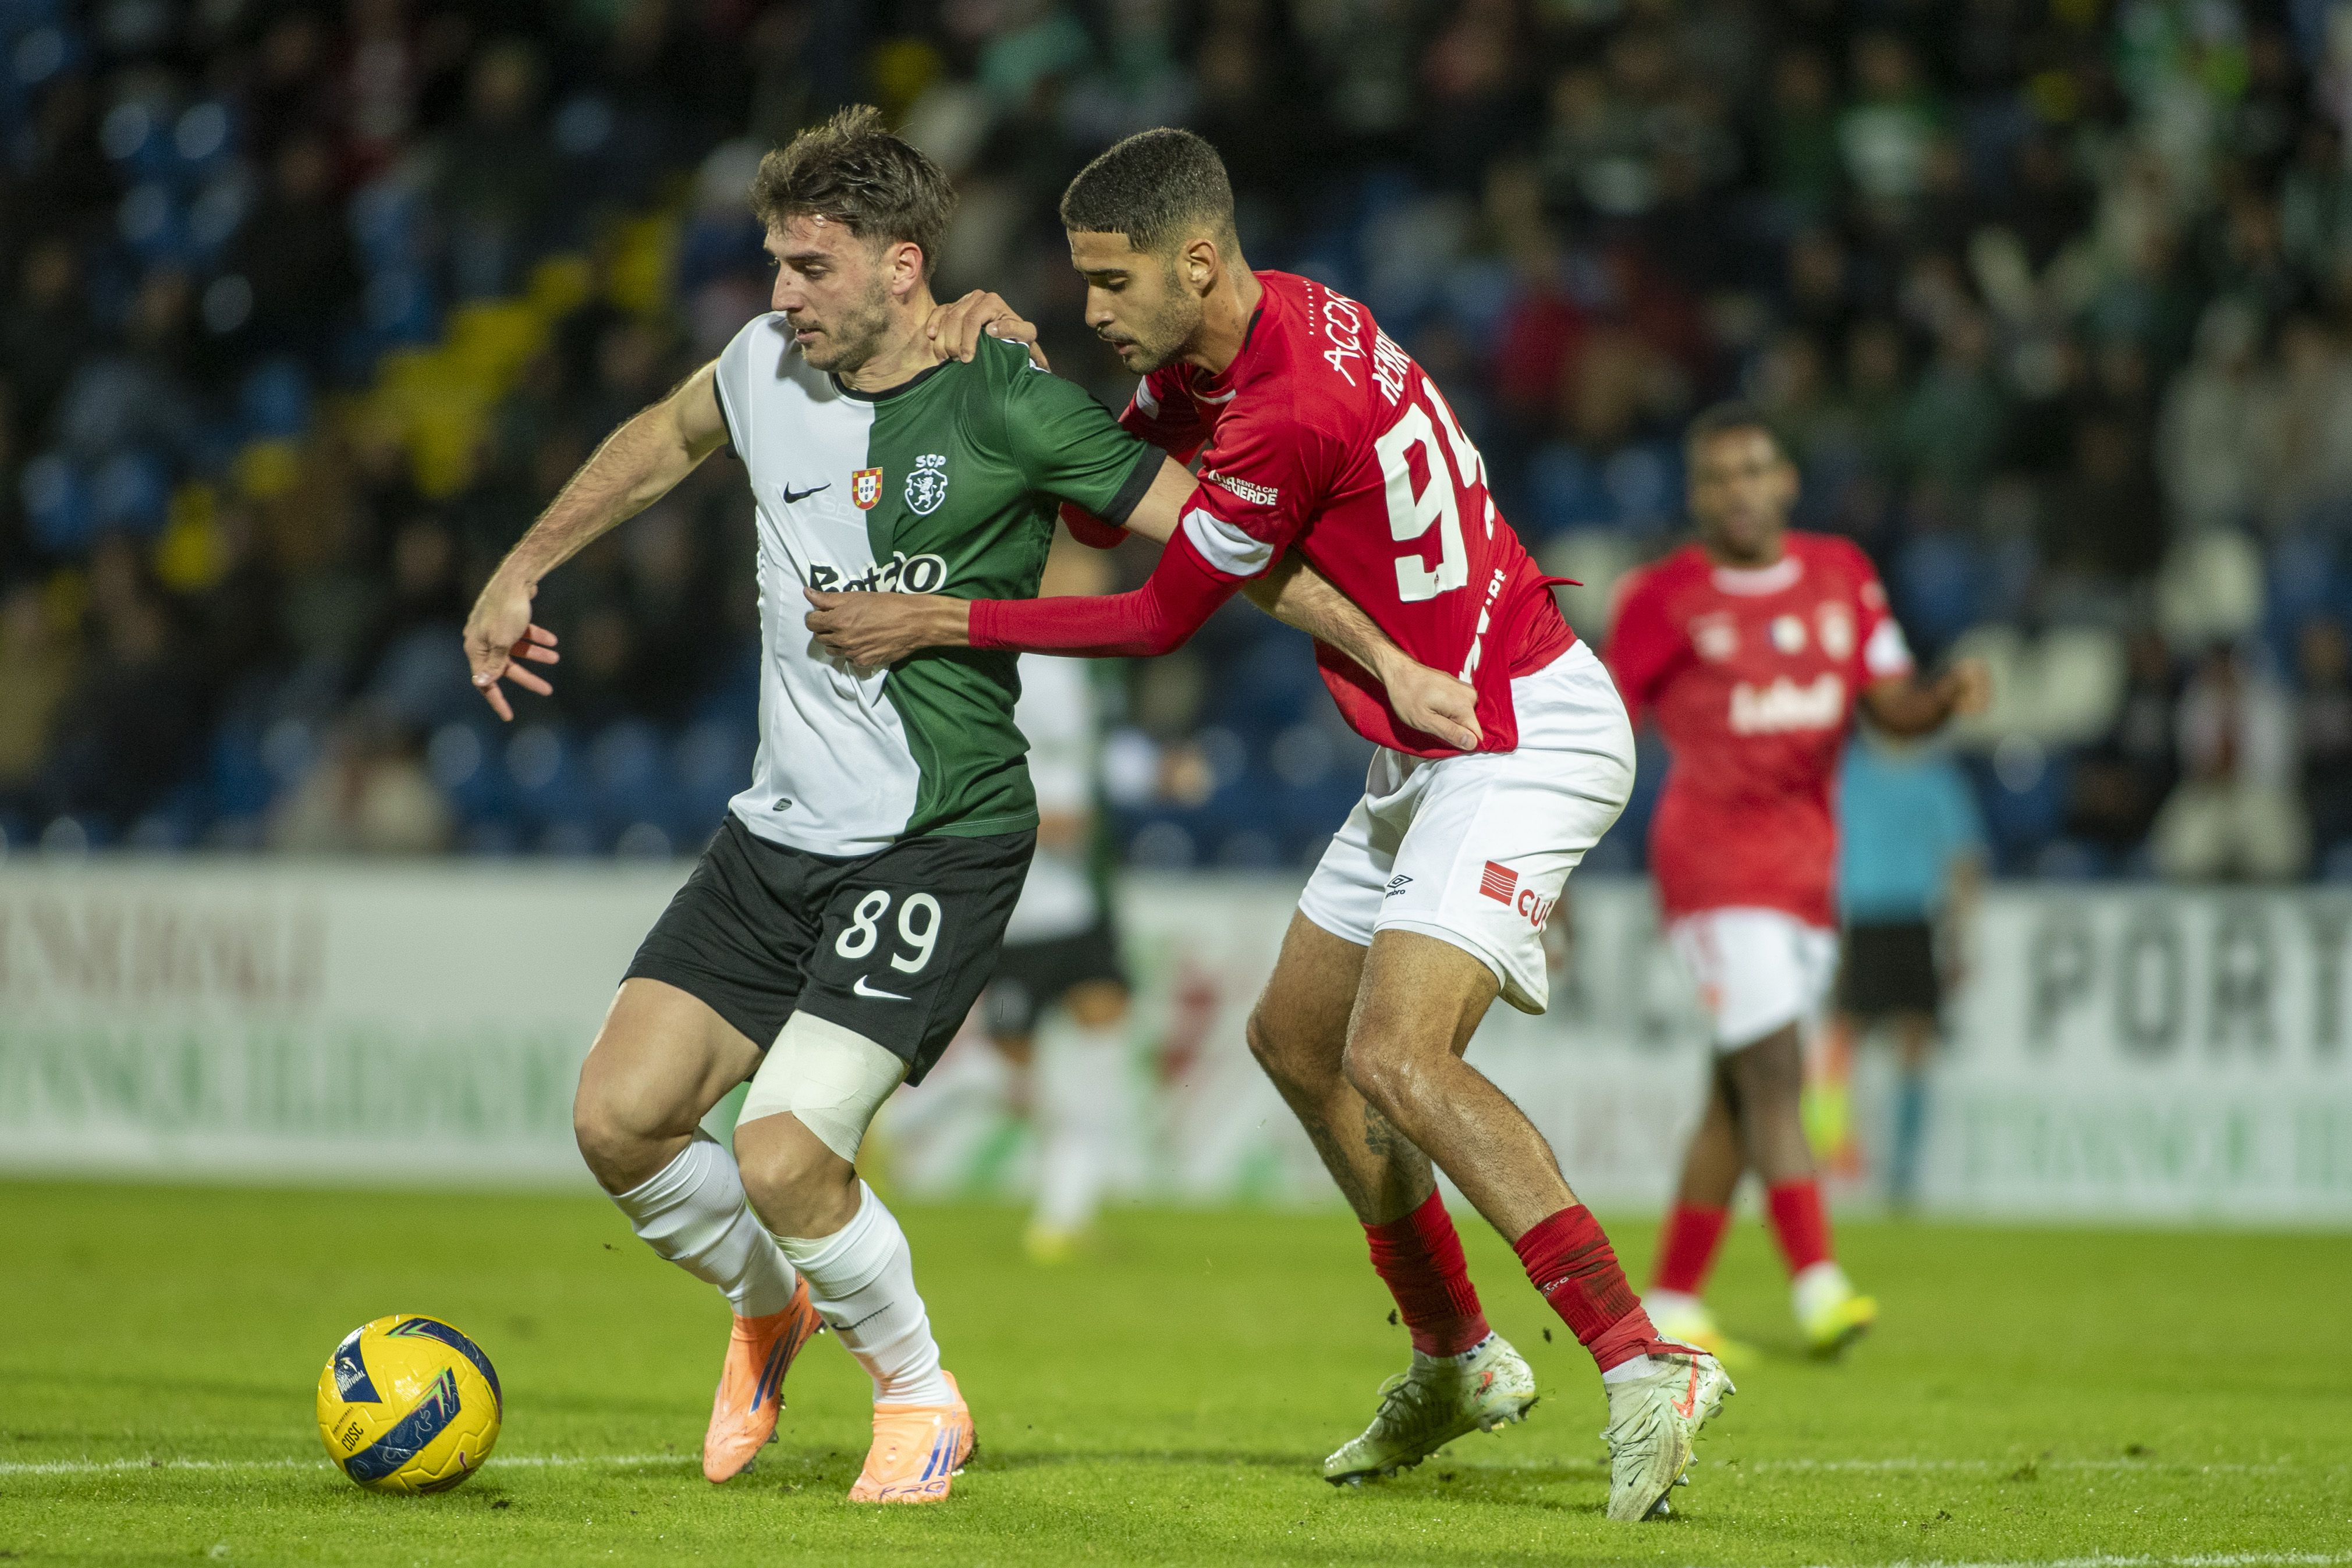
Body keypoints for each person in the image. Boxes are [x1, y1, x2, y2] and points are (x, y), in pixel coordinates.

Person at [460, 108, 1459, 1505]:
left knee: (783, 1145)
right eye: (774, 262)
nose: (779, 294)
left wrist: (1394, 654)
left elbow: (1227, 541)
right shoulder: (760, 366)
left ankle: (921, 1391)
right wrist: (525, 563)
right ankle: (775, 1302)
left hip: (941, 832)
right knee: (617, 1120)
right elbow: (663, 437)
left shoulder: (1010, 398)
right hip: (776, 835)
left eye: (809, 266)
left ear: (901, 263)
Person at [803, 127, 1732, 1524]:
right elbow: (1108, 496)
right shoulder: (1265, 322)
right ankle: (1455, 1353)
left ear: (1193, 259)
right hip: (1427, 737)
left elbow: (1154, 610)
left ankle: (1637, 1352)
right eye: (1082, 285)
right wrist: (1000, 375)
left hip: (1515, 728)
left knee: (1399, 1055)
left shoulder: (1283, 409)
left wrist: (942, 616)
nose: (1095, 310)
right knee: (1295, 1038)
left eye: (1111, 285)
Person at [1604, 403, 1988, 1363]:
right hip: (1710, 861)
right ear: (1695, 496)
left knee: (1738, 1090)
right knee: (1777, 1066)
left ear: (1786, 481)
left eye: (1755, 469)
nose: (1739, 489)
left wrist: (1939, 699)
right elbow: (1607, 731)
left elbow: (1891, 708)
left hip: (1809, 869)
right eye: (1718, 476)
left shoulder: (1842, 576)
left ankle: (1672, 1296)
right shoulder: (1662, 597)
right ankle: (1818, 1281)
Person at [983, 537, 1136, 1262]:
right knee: (1012, 1075)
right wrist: (1053, 818)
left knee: (1105, 1031)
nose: (1099, 583)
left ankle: (1066, 1208)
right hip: (1017, 904)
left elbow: (1096, 767)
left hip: (1076, 903)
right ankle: (911, 1116)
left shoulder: (1082, 669)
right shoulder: (1028, 666)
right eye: (1081, 569)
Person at [1829, 722, 1985, 1208]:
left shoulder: (1936, 777)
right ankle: (1831, 1158)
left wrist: (1960, 936)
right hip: (1862, 920)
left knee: (1910, 1044)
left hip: (1912, 920)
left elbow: (1962, 862)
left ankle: (1901, 1174)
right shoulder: (1846, 771)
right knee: (1841, 1041)